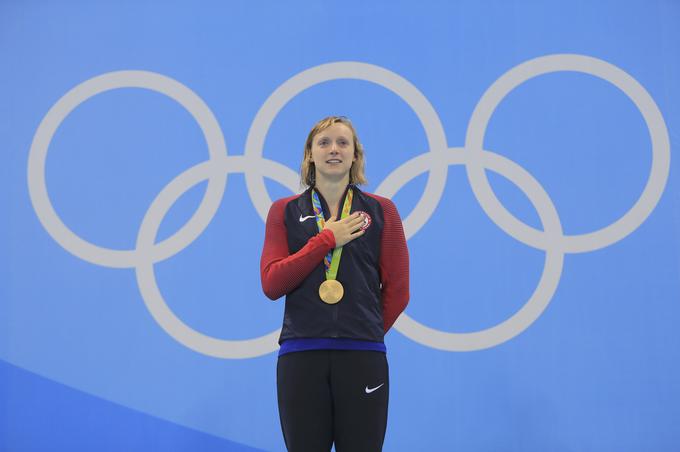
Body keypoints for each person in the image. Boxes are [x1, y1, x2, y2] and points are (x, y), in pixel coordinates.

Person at [260, 116, 409, 452]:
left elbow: (398, 290)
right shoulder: (283, 211)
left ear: (355, 155)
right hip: (301, 354)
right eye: (324, 142)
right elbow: (272, 282)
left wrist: (363, 330)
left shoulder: (382, 210)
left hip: (362, 354)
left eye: (343, 143)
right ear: (309, 155)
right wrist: (326, 239)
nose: (334, 149)